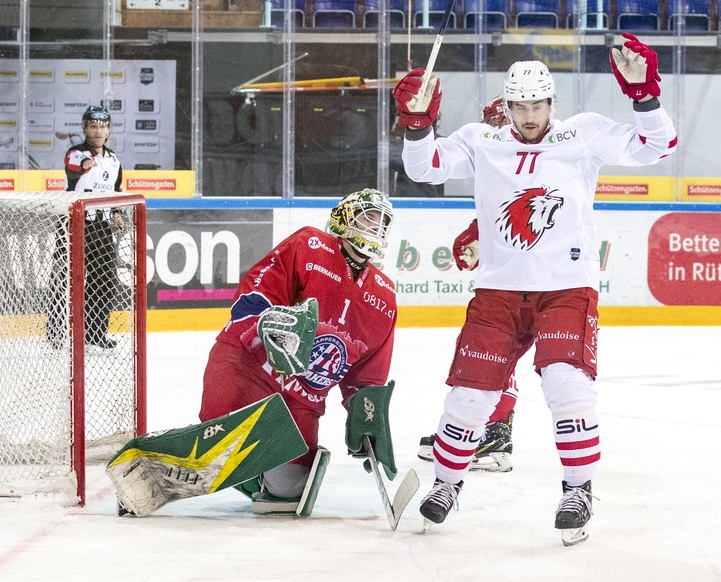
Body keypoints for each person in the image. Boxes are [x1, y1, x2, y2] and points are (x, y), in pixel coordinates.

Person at [393, 33, 677, 545]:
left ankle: (577, 489)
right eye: (519, 106)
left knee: (568, 388)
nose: (529, 116)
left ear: (552, 102)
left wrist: (645, 95)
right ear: (506, 104)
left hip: (566, 289)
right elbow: (423, 168)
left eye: (538, 105)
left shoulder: (582, 135)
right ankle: (446, 484)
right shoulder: (483, 139)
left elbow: (658, 146)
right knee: (469, 396)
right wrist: (417, 126)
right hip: (498, 292)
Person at [198, 188, 398, 512]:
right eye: (368, 217)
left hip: (302, 400)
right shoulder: (310, 244)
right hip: (252, 368)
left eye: (382, 222)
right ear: (344, 217)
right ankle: (224, 461)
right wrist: (271, 323)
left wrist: (368, 418)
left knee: (288, 492)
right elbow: (258, 291)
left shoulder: (385, 297)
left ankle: (257, 476)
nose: (375, 227)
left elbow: (366, 378)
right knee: (222, 446)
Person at [417, 97, 518, 474]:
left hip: (539, 282)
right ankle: (482, 432)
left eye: (496, 124)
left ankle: (492, 435)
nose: (492, 134)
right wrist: (474, 240)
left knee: (496, 355)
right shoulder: (499, 163)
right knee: (490, 356)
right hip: (510, 282)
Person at [47, 105, 125, 350]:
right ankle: (57, 333)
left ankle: (94, 334)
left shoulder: (113, 160)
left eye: (103, 125)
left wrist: (116, 213)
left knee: (104, 279)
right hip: (74, 224)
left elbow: (115, 190)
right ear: (85, 128)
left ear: (108, 129)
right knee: (65, 277)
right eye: (93, 125)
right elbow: (75, 168)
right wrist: (85, 165)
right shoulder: (75, 152)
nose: (98, 130)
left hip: (101, 226)